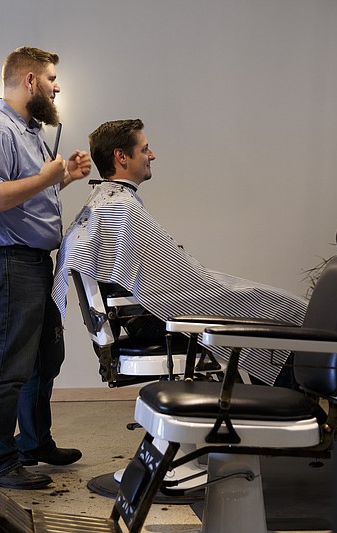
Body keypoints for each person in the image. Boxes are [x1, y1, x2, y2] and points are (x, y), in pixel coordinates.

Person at [51, 119, 308, 387]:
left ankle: (265, 408)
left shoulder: (106, 202)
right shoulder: (121, 209)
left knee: (264, 307)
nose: (152, 155)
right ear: (121, 156)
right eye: (144, 149)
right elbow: (175, 280)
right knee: (282, 311)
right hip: (159, 317)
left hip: (148, 314)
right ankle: (295, 411)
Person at [0, 46, 93, 490]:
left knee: (43, 357)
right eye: (52, 78)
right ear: (31, 81)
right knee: (7, 364)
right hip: (7, 261)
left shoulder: (27, 130)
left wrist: (63, 177)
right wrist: (45, 177)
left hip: (31, 261)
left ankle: (34, 442)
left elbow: (24, 191)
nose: (58, 86)